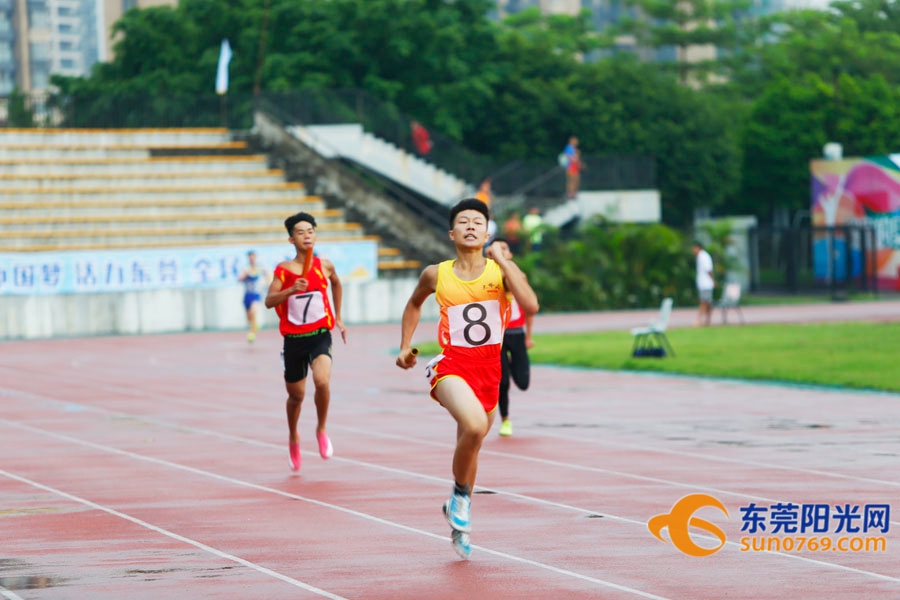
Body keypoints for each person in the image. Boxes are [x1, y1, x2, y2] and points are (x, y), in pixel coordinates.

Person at [395, 198, 539, 559]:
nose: (471, 226)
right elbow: (414, 304)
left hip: (489, 370)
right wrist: (405, 345)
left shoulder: (501, 271)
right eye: (464, 221)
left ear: (487, 232)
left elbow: (531, 304)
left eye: (478, 221)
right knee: (475, 427)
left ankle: (459, 511)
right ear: (452, 232)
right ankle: (461, 497)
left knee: (472, 443)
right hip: (451, 366)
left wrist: (505, 260)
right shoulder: (436, 274)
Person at [265, 212, 347, 472]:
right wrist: (290, 290)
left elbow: (336, 284)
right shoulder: (284, 270)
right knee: (296, 396)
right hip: (293, 340)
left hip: (320, 335)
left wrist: (339, 318)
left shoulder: (325, 265)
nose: (306, 235)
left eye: (310, 230)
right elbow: (269, 301)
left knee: (322, 381)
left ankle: (321, 429)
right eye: (300, 232)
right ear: (291, 239)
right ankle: (293, 437)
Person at [492, 239, 534, 438]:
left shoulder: (519, 276)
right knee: (503, 383)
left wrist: (529, 335)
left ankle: (509, 362)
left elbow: (530, 308)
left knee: (523, 382)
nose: (500, 253)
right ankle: (505, 420)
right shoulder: (486, 279)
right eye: (496, 250)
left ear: (509, 254)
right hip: (497, 336)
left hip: (517, 333)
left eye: (504, 249)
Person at [237, 251, 269, 343]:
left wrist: (266, 282)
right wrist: (244, 276)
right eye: (250, 257)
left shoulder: (260, 268)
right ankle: (254, 325)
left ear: (255, 258)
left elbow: (268, 275)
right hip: (247, 295)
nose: (252, 259)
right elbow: (239, 279)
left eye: (253, 257)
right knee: (249, 317)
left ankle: (251, 333)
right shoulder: (245, 269)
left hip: (256, 295)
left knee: (253, 312)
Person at [692, 240, 715, 327]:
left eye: (694, 248)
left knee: (704, 302)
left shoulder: (703, 256)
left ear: (698, 248)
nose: (693, 250)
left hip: (706, 283)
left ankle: (699, 320)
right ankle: (707, 320)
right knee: (707, 302)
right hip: (704, 283)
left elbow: (708, 270)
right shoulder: (700, 256)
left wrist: (712, 280)